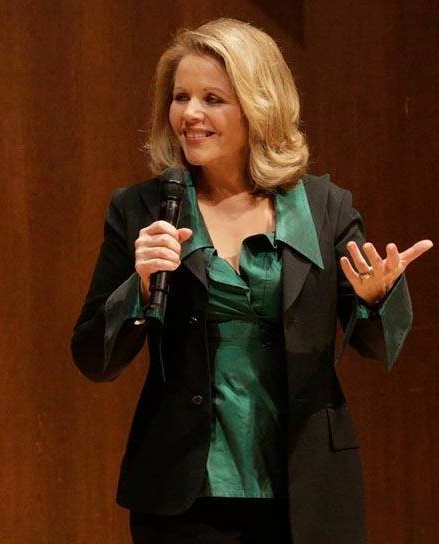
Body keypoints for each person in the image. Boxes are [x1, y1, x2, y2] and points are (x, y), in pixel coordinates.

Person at [70, 18, 431, 544]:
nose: (190, 114)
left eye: (213, 98)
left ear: (259, 106)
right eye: (180, 97)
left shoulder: (326, 208)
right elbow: (92, 357)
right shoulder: (142, 209)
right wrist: (141, 290)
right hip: (183, 495)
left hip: (307, 488)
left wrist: (377, 300)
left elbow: (376, 346)